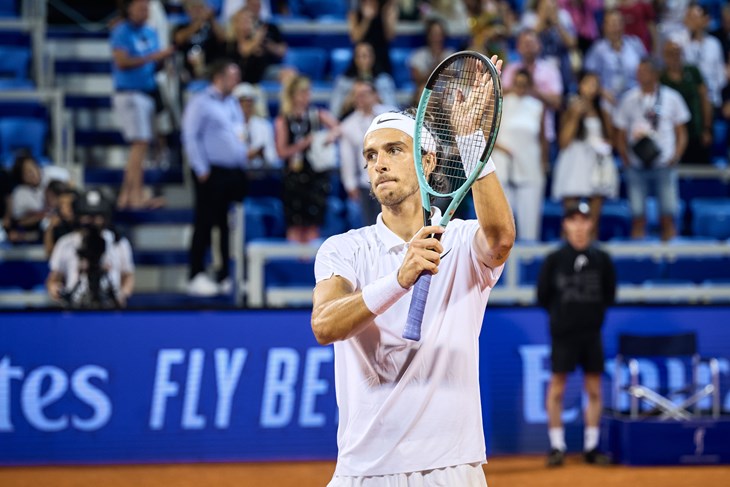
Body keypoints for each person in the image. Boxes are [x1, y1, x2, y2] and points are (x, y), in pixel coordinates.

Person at [311, 56, 516, 484]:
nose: (379, 163)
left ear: (427, 163)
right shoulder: (344, 249)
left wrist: (471, 140)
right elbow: (325, 325)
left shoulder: (460, 240)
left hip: (451, 467)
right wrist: (399, 279)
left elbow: (499, 241)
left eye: (393, 150)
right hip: (365, 470)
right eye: (370, 155)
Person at [537, 200, 616, 467]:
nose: (579, 226)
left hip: (592, 334)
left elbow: (609, 295)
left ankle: (591, 448)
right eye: (574, 221)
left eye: (584, 220)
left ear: (591, 224)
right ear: (565, 225)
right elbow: (543, 296)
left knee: (594, 388)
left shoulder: (602, 259)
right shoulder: (554, 260)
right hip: (563, 335)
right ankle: (557, 447)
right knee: (557, 388)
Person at [182, 60, 249, 297]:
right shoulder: (200, 102)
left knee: (225, 225)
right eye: (233, 76)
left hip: (233, 172)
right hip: (211, 172)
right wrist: (201, 168)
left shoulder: (232, 102)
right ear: (219, 77)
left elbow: (237, 133)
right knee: (204, 222)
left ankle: (223, 275)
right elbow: (190, 136)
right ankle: (195, 272)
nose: (236, 81)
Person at [613, 58, 690, 240]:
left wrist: (676, 155)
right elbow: (620, 132)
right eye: (638, 71)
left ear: (655, 74)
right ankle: (639, 260)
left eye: (645, 71)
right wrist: (625, 157)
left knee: (668, 215)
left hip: (664, 163)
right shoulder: (628, 98)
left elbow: (682, 131)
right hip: (636, 165)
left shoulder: (672, 97)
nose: (640, 75)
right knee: (637, 216)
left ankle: (670, 259)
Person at [111, 0, 174, 209]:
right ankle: (134, 196)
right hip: (130, 93)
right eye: (140, 7)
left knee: (141, 146)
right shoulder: (121, 31)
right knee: (139, 145)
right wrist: (153, 57)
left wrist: (163, 60)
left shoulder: (150, 32)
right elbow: (122, 61)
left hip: (148, 93)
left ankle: (127, 196)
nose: (144, 11)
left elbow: (155, 62)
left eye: (146, 8)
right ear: (128, 9)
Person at [552, 70, 618, 238]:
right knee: (569, 216)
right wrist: (575, 116)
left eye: (595, 84)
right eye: (588, 83)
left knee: (593, 219)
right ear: (580, 86)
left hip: (597, 163)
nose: (592, 88)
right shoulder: (571, 108)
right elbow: (564, 142)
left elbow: (612, 140)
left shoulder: (603, 112)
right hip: (574, 162)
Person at [275, 74, 340, 243]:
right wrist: (303, 144)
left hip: (316, 176)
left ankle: (309, 264)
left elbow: (338, 128)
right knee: (295, 224)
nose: (305, 97)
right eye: (301, 93)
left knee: (313, 223)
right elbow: (281, 152)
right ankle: (294, 265)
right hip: (294, 178)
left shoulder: (317, 115)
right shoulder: (284, 120)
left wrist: (328, 138)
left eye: (307, 92)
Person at [47, 189, 135, 309]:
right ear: (79, 216)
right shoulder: (65, 243)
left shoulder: (118, 242)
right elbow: (53, 278)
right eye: (87, 216)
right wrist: (55, 290)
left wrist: (123, 294)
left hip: (109, 306)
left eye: (97, 216)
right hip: (75, 306)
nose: (92, 221)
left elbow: (128, 276)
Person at [493, 68, 548, 241]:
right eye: (517, 83)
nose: (520, 87)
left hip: (530, 167)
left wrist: (544, 164)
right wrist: (502, 149)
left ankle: (529, 261)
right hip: (502, 167)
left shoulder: (537, 106)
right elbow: (488, 134)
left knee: (530, 224)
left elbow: (543, 138)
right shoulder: (501, 102)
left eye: (524, 84)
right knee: (501, 225)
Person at [338, 80, 395, 227]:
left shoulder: (391, 114)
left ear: (374, 95)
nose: (360, 98)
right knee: (372, 226)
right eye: (357, 95)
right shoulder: (348, 124)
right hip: (367, 183)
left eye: (364, 94)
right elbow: (347, 157)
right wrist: (350, 183)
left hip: (393, 177)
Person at [501, 29, 564, 143]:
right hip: (512, 132)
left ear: (539, 45)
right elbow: (500, 96)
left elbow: (557, 102)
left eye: (531, 43)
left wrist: (533, 91)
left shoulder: (550, 70)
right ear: (518, 47)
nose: (528, 47)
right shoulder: (510, 69)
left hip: (542, 134)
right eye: (525, 44)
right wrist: (518, 89)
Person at [660, 39, 713, 165]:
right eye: (670, 53)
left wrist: (707, 128)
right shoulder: (661, 78)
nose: (675, 57)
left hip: (696, 130)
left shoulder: (693, 72)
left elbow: (705, 100)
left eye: (678, 52)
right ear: (664, 56)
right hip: (673, 134)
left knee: (701, 170)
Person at [583, 10, 647, 105]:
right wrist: (603, 92)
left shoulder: (635, 43)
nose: (616, 27)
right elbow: (590, 77)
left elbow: (648, 68)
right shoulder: (598, 49)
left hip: (637, 95)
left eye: (619, 23)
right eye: (612, 24)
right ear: (604, 27)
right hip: (609, 97)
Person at [329, 41, 397, 120]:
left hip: (378, 121)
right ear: (354, 59)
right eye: (359, 56)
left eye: (366, 56)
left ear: (373, 58)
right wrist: (351, 99)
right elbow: (335, 112)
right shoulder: (344, 81)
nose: (362, 60)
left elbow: (393, 109)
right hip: (350, 122)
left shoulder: (384, 80)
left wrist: (376, 99)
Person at [173, 0, 226, 84]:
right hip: (187, 72)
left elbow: (223, 38)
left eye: (200, 8)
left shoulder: (210, 26)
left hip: (210, 70)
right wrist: (199, 22)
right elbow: (179, 39)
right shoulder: (182, 26)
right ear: (188, 11)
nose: (197, 11)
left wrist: (212, 19)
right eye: (194, 8)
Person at [233, 82, 280, 169]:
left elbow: (272, 156)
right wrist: (247, 156)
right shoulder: (229, 126)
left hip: (261, 172)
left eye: (250, 101)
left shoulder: (264, 125)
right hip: (237, 172)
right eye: (242, 101)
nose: (247, 105)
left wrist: (262, 154)